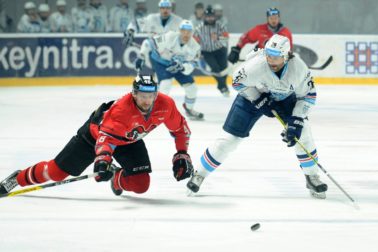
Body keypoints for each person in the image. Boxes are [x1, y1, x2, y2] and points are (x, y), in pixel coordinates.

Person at [0, 75, 194, 197]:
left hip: (128, 140)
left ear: (156, 94)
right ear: (134, 94)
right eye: (141, 95)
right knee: (56, 172)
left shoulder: (165, 105)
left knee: (141, 185)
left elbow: (180, 129)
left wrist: (182, 153)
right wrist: (103, 161)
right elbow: (105, 140)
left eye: (150, 95)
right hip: (94, 136)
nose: (146, 100)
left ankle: (117, 178)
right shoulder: (120, 111)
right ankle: (19, 178)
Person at [187, 34, 328, 199]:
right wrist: (259, 99)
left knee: (302, 133)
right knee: (229, 140)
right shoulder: (255, 65)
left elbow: (308, 96)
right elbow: (237, 82)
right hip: (251, 98)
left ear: (287, 55)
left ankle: (312, 176)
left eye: (276, 56)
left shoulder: (299, 69)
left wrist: (296, 120)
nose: (271, 60)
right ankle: (199, 174)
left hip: (285, 99)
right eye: (268, 54)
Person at [135, 20, 204, 121]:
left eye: (189, 31)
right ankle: (151, 109)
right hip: (160, 62)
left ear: (192, 32)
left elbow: (192, 65)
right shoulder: (169, 36)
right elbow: (148, 42)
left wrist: (182, 67)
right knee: (165, 84)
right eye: (184, 30)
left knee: (192, 88)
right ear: (179, 30)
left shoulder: (195, 47)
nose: (186, 34)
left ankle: (189, 109)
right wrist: (141, 56)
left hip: (179, 66)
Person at [228, 7, 293, 64]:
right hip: (260, 62)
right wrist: (237, 49)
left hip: (278, 63)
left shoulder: (286, 32)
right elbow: (245, 37)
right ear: (267, 18)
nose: (274, 20)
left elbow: (289, 49)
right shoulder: (260, 29)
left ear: (279, 18)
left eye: (275, 18)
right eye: (271, 18)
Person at [193, 5, 230, 97]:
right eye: (208, 16)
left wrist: (218, 37)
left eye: (211, 16)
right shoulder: (199, 28)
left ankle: (222, 86)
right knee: (215, 68)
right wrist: (198, 52)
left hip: (220, 50)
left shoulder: (220, 26)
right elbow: (194, 42)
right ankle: (223, 87)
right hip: (207, 52)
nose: (210, 18)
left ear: (215, 16)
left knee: (224, 70)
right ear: (204, 17)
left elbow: (226, 38)